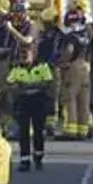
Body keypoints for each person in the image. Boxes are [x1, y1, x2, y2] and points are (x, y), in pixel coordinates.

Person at [6, 42, 55, 172]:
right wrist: (33, 86)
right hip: (23, 103)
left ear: (33, 54)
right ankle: (25, 160)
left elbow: (47, 83)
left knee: (38, 130)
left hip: (39, 102)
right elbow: (11, 85)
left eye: (26, 53)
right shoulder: (16, 69)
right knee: (23, 132)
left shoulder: (43, 66)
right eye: (22, 54)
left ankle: (38, 156)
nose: (24, 57)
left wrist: (26, 86)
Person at [58, 0, 93, 140]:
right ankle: (83, 130)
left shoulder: (71, 36)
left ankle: (70, 130)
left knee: (69, 97)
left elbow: (69, 50)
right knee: (83, 100)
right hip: (85, 66)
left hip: (73, 66)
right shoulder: (86, 32)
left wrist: (62, 62)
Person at [35, 7, 63, 134]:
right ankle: (40, 121)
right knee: (40, 95)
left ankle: (51, 123)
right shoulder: (41, 35)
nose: (46, 25)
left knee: (52, 95)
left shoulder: (60, 36)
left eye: (48, 22)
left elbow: (61, 52)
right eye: (45, 22)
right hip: (40, 68)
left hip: (53, 68)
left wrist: (55, 62)